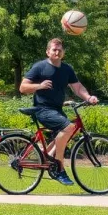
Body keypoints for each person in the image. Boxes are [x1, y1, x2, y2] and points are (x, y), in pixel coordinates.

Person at [19, 38, 99, 186]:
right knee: (69, 127)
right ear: (48, 52)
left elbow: (77, 87)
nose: (57, 52)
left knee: (68, 132)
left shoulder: (67, 69)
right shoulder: (40, 67)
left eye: (60, 50)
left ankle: (48, 157)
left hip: (57, 110)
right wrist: (39, 86)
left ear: (63, 52)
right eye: (54, 49)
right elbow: (23, 88)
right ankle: (59, 166)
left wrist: (89, 97)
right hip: (42, 109)